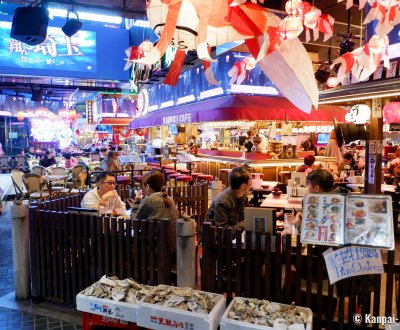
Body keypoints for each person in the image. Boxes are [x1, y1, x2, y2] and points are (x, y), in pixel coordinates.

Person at [132, 170, 179, 247]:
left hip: (157, 248)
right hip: (174, 245)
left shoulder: (148, 200)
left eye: (143, 186)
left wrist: (137, 202)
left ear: (147, 186)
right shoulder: (169, 199)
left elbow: (135, 223)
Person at [205, 167, 252, 232]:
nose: (251, 185)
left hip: (234, 237)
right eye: (250, 182)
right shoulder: (223, 202)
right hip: (215, 240)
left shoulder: (243, 196)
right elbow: (222, 233)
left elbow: (247, 216)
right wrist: (245, 223)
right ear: (243, 186)